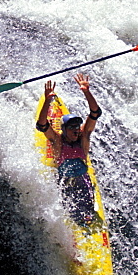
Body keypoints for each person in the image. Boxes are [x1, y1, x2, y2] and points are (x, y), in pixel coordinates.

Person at [35, 73, 103, 226]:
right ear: (64, 129)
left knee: (87, 211)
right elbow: (42, 125)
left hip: (82, 179)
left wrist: (86, 91)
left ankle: (87, 219)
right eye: (72, 127)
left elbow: (95, 113)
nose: (76, 130)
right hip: (63, 181)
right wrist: (47, 101)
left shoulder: (83, 138)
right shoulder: (57, 140)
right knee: (71, 211)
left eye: (77, 127)